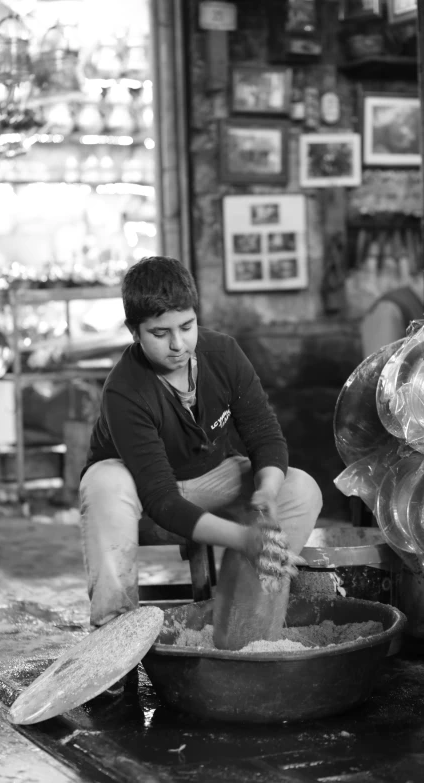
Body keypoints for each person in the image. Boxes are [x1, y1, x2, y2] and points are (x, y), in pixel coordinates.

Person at [79, 255, 323, 629]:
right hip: (138, 492)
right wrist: (244, 537)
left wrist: (267, 493)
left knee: (301, 488)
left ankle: (248, 627)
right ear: (135, 333)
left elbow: (264, 435)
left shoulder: (222, 353)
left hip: (209, 476)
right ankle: (114, 637)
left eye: (187, 326)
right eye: (160, 334)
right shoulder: (125, 390)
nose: (178, 344)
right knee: (104, 483)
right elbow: (162, 501)